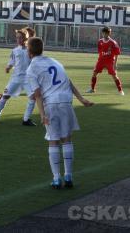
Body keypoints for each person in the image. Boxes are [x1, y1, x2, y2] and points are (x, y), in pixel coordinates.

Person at [26, 37, 93, 189]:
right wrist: (81, 99)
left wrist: (42, 114)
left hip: (51, 104)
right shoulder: (55, 61)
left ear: (29, 51)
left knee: (53, 140)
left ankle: (57, 179)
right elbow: (67, 81)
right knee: (67, 140)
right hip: (66, 102)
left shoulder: (31, 69)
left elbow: (37, 94)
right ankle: (68, 176)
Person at [0, 27, 37, 122]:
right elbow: (12, 61)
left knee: (33, 98)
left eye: (20, 37)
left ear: (25, 38)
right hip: (15, 78)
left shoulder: (30, 50)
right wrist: (8, 67)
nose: (18, 39)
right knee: (5, 96)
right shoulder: (15, 50)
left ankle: (26, 119)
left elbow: (35, 62)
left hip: (28, 79)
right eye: (17, 37)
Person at [86, 26, 124, 95]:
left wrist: (115, 64)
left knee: (114, 76)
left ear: (109, 34)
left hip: (110, 62)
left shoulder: (113, 42)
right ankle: (92, 89)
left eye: (106, 33)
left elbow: (117, 53)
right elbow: (100, 51)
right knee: (94, 73)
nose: (104, 35)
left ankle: (120, 91)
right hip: (101, 61)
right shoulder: (100, 41)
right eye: (103, 33)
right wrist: (100, 59)